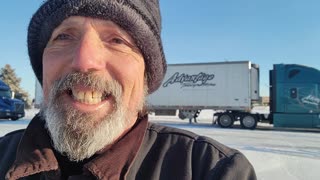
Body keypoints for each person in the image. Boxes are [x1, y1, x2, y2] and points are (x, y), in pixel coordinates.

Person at [0, 0, 257, 179]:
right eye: (64, 36)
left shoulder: (210, 169)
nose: (84, 61)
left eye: (117, 40)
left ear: (146, 74)